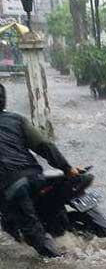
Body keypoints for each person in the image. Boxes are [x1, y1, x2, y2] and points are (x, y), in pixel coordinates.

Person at [0, 83, 80, 257]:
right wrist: (67, 168)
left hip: (11, 187)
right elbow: (44, 145)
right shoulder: (17, 120)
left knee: (33, 233)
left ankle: (65, 267)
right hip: (36, 177)